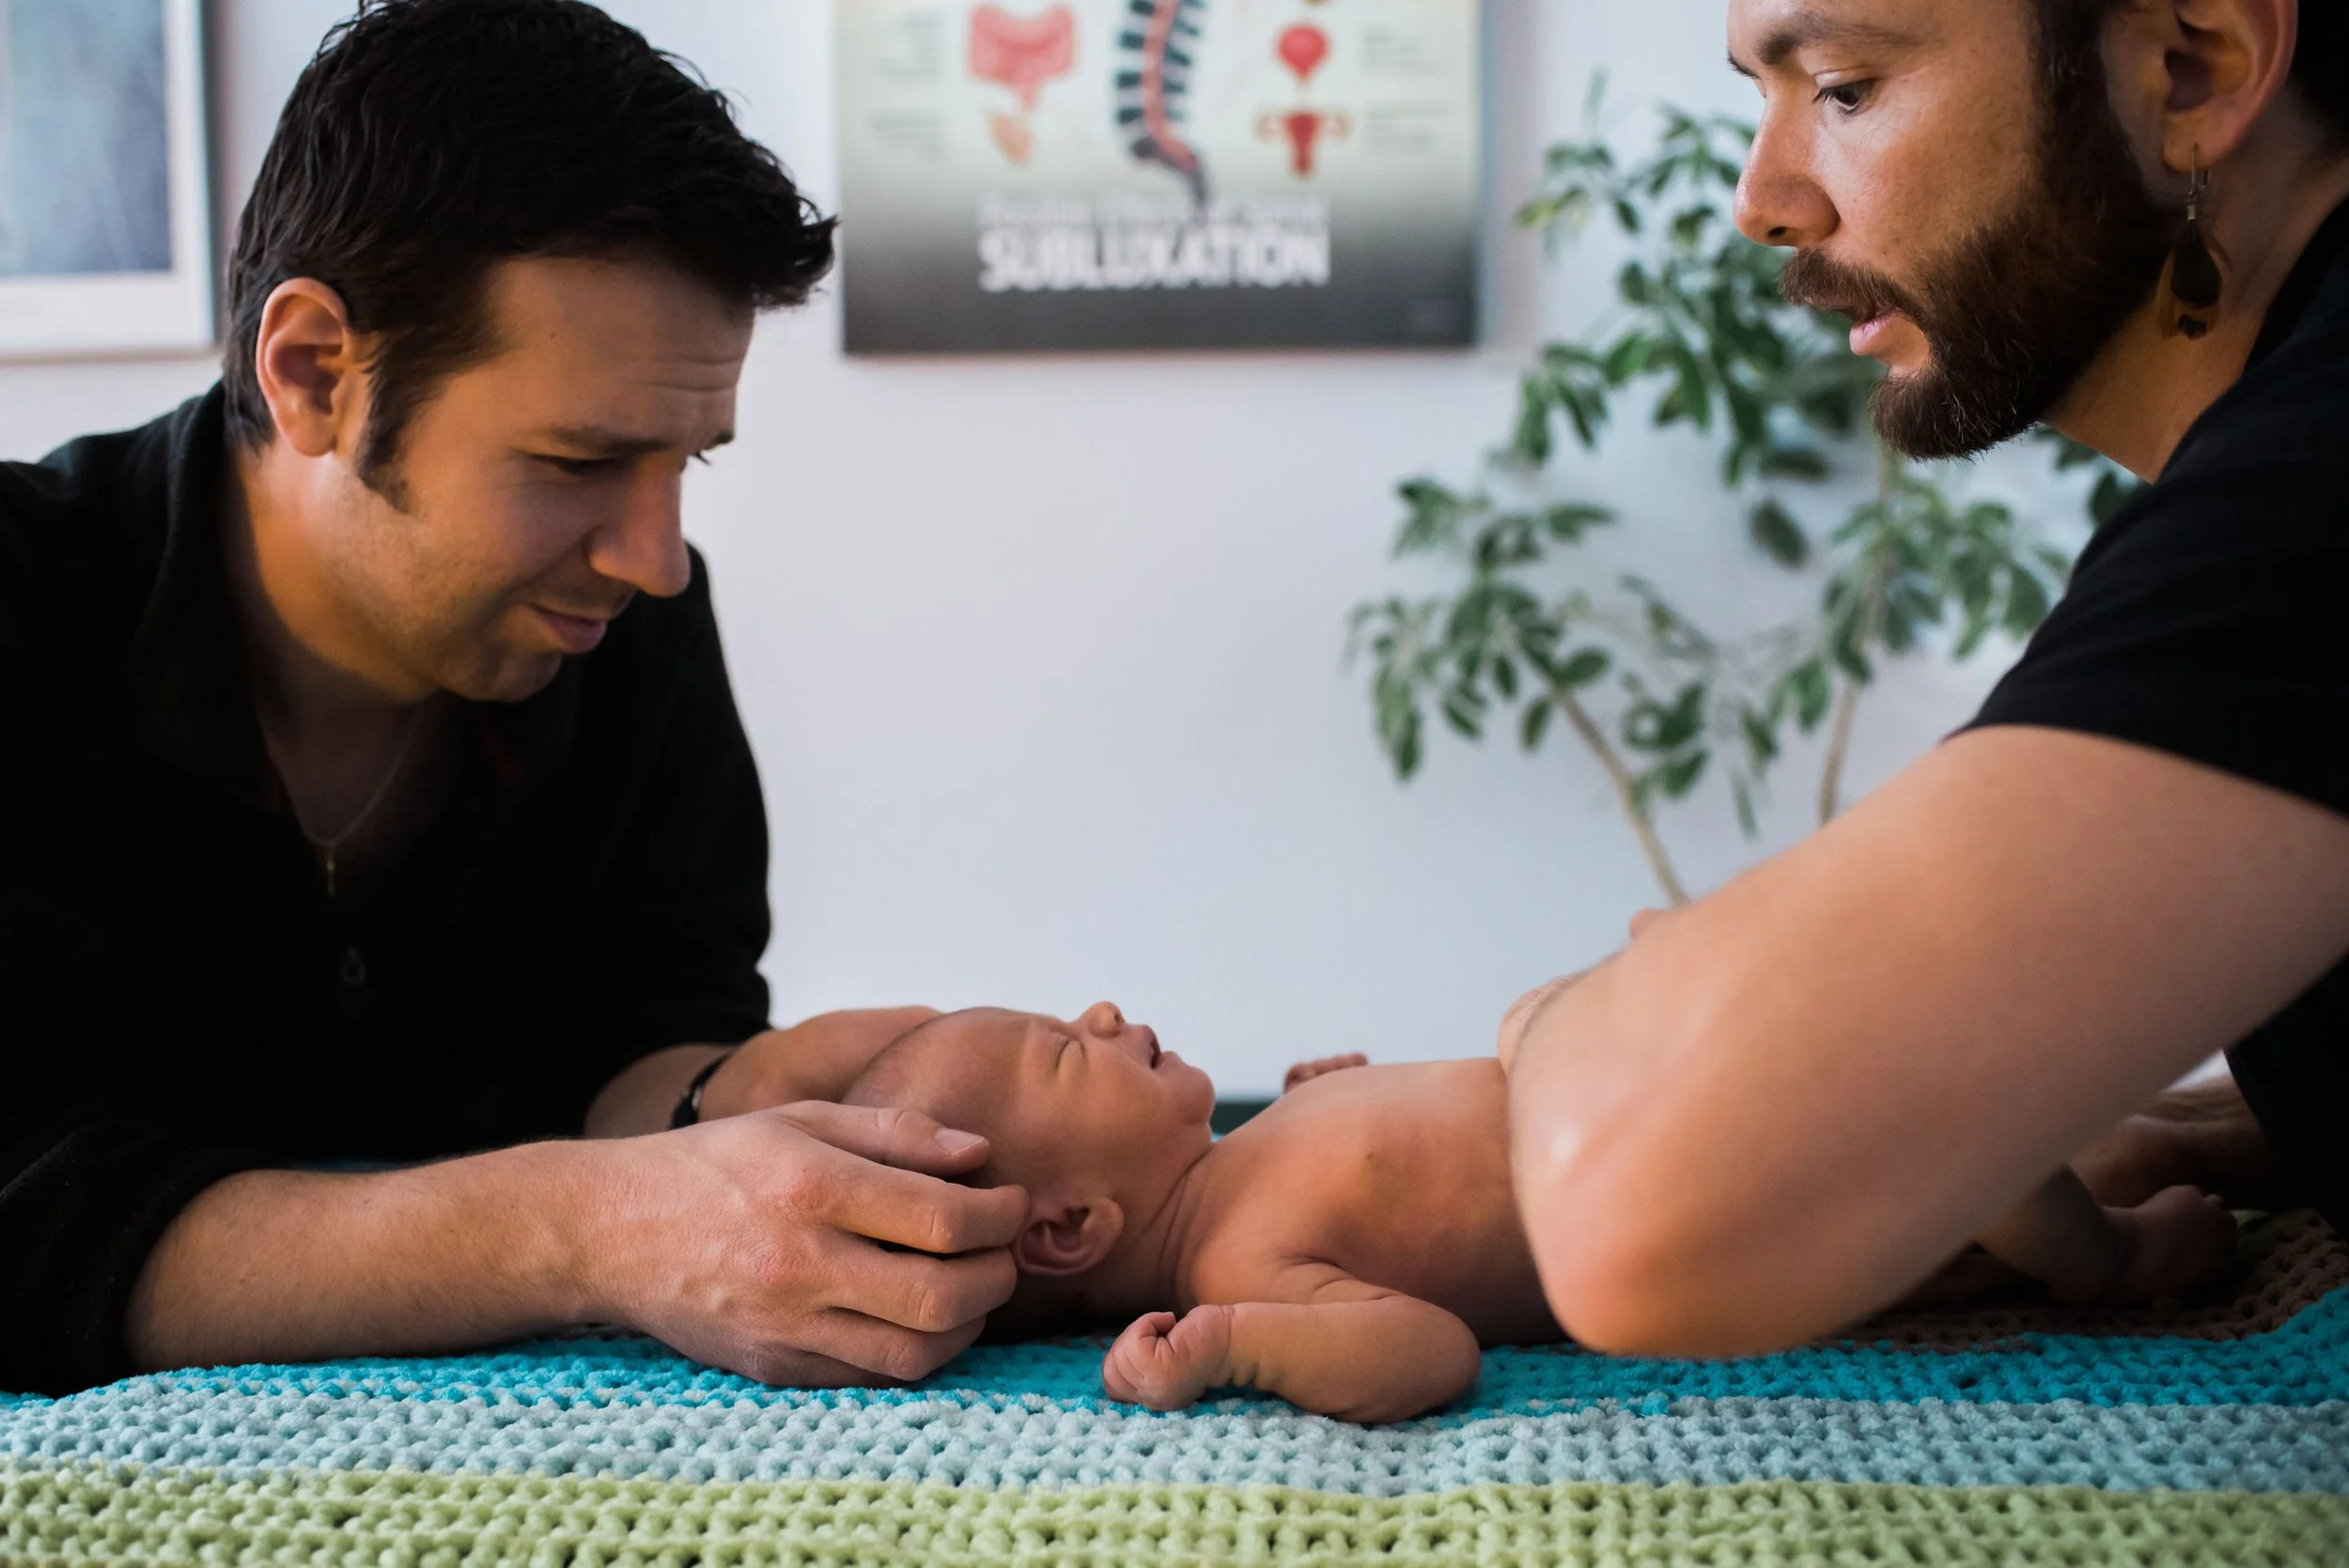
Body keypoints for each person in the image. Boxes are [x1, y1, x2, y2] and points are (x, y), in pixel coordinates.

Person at [0, 0, 1028, 1398]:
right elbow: (30, 1218)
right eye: (579, 463)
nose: (655, 559)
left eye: (687, 463)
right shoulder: (27, 605)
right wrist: (589, 1231)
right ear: (314, 374)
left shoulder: (635, 635)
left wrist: (725, 1099)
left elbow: (647, 1027)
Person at [1501, 0, 2349, 1357]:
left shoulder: (2310, 482)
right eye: (1761, 96)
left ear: (2192, 70)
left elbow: (1632, 1204)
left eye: (1843, 88)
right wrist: (2182, 1131)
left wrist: (1544, 1027)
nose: (1760, 204)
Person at [835, 1001, 2241, 1425]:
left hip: (1680, 1108)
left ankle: (2202, 1141)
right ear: (1072, 1230)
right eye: (1064, 1051)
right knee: (1979, 1147)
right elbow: (1429, 1351)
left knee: (2015, 1105)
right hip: (1721, 1203)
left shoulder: (1244, 1163)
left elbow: (1424, 1159)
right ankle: (2111, 1260)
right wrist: (1237, 1348)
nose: (1099, 1011)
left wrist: (1338, 1098)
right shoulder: (1241, 1266)